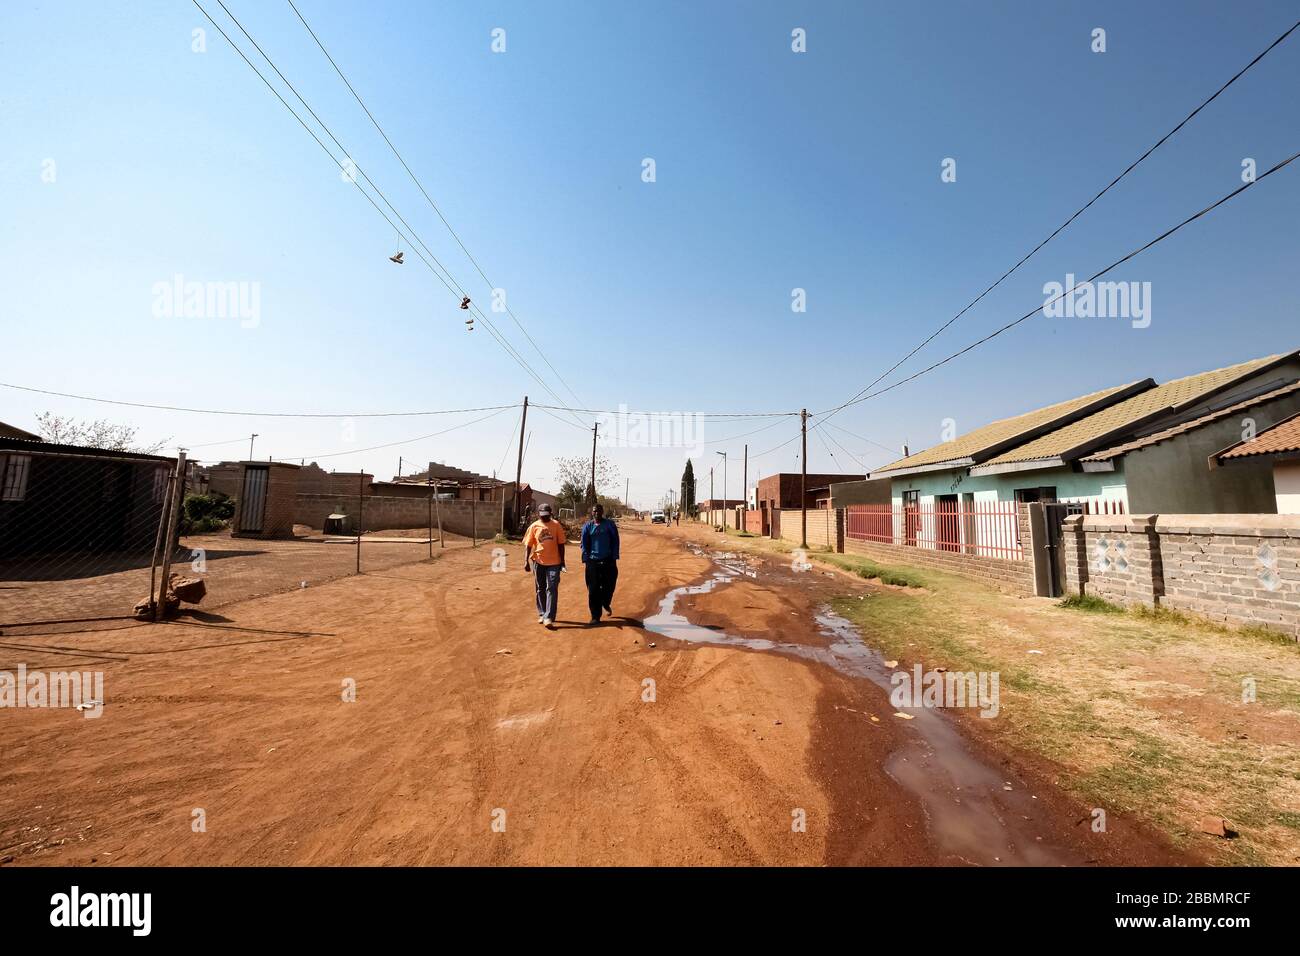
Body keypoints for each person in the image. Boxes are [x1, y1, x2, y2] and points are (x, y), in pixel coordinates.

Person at [523, 503, 566, 628]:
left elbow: (561, 544)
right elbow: (528, 545)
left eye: (546, 515)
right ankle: (542, 613)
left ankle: (549, 617)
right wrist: (525, 560)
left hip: (554, 562)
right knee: (540, 588)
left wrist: (562, 561)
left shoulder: (556, 525)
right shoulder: (534, 526)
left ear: (550, 513)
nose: (544, 518)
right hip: (539, 562)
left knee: (551, 588)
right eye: (542, 515)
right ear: (538, 514)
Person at [579, 503, 620, 624]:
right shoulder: (588, 526)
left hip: (608, 560)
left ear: (602, 512)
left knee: (609, 585)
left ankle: (605, 602)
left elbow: (615, 541)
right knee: (593, 590)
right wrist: (586, 558)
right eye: (594, 511)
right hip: (593, 562)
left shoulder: (610, 525)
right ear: (592, 513)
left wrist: (614, 556)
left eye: (598, 511)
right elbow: (584, 544)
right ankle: (595, 616)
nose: (596, 513)